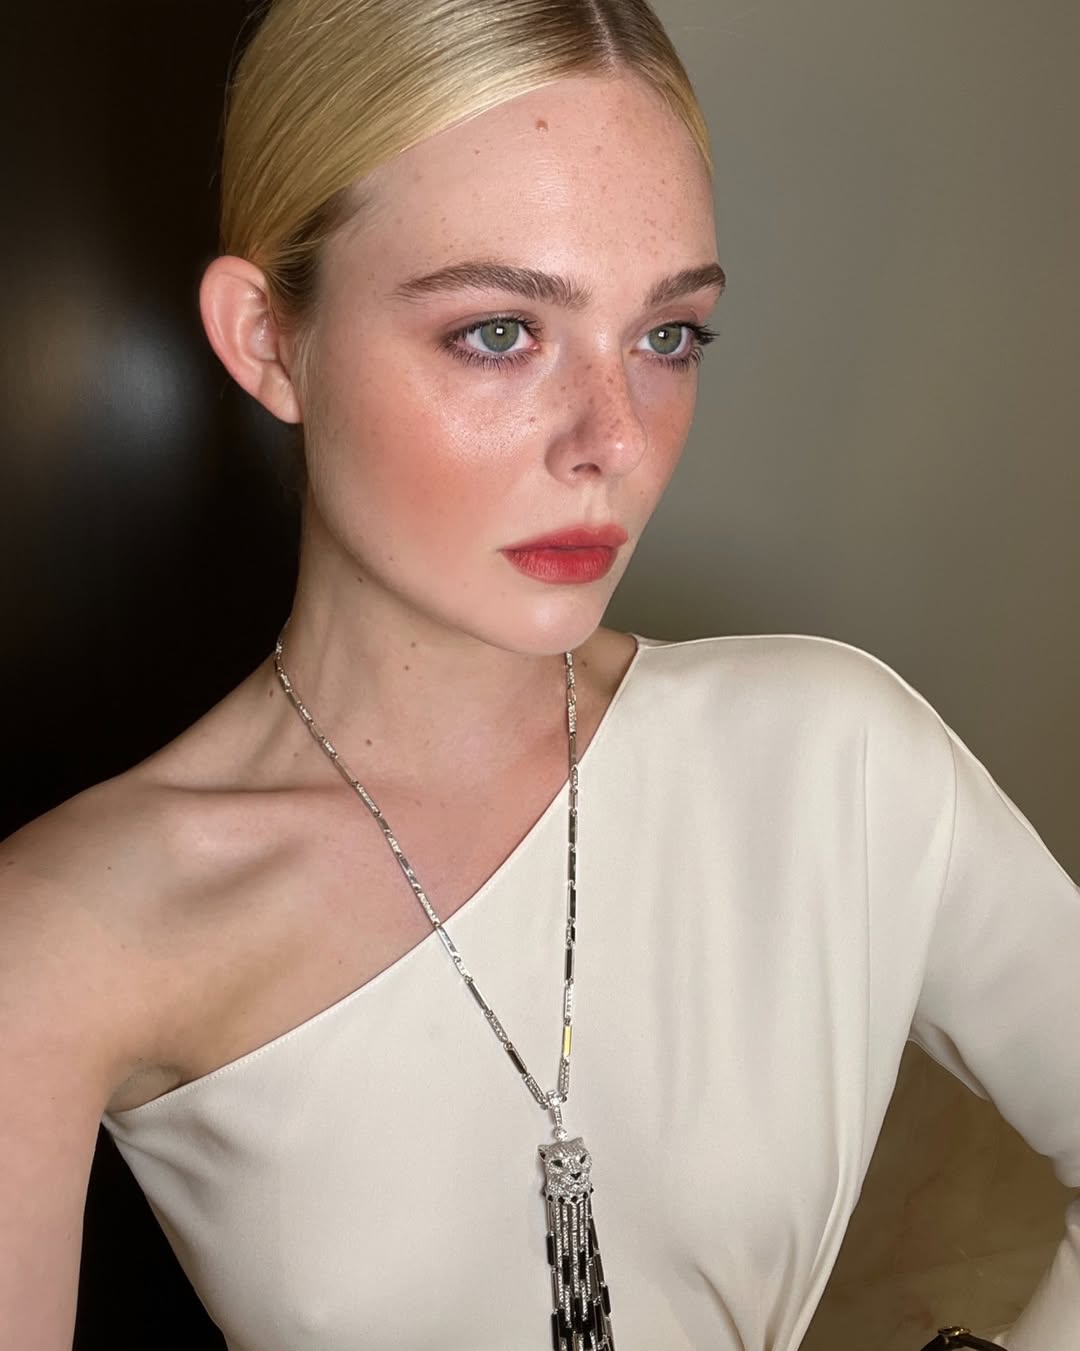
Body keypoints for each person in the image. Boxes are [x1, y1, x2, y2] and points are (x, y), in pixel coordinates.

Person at [1, 1, 1077, 1348]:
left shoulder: (833, 759)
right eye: (502, 331)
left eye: (668, 335)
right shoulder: (74, 932)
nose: (612, 440)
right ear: (270, 338)